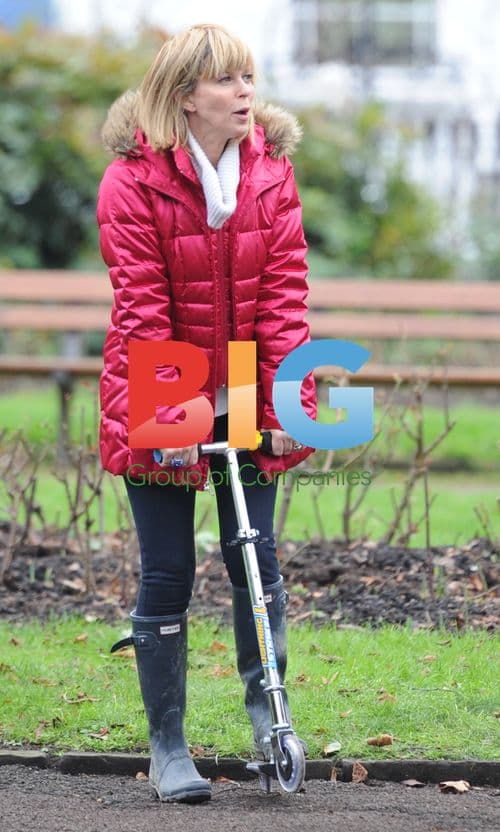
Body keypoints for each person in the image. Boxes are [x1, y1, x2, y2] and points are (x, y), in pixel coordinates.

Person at [97, 23, 316, 804]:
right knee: (169, 570)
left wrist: (291, 401)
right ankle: (167, 748)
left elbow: (286, 297)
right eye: (227, 81)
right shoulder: (131, 183)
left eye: (249, 78)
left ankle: (270, 721)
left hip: (247, 385)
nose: (245, 93)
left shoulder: (271, 174)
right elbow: (146, 311)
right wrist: (172, 421)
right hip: (161, 386)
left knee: (252, 552)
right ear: (186, 96)